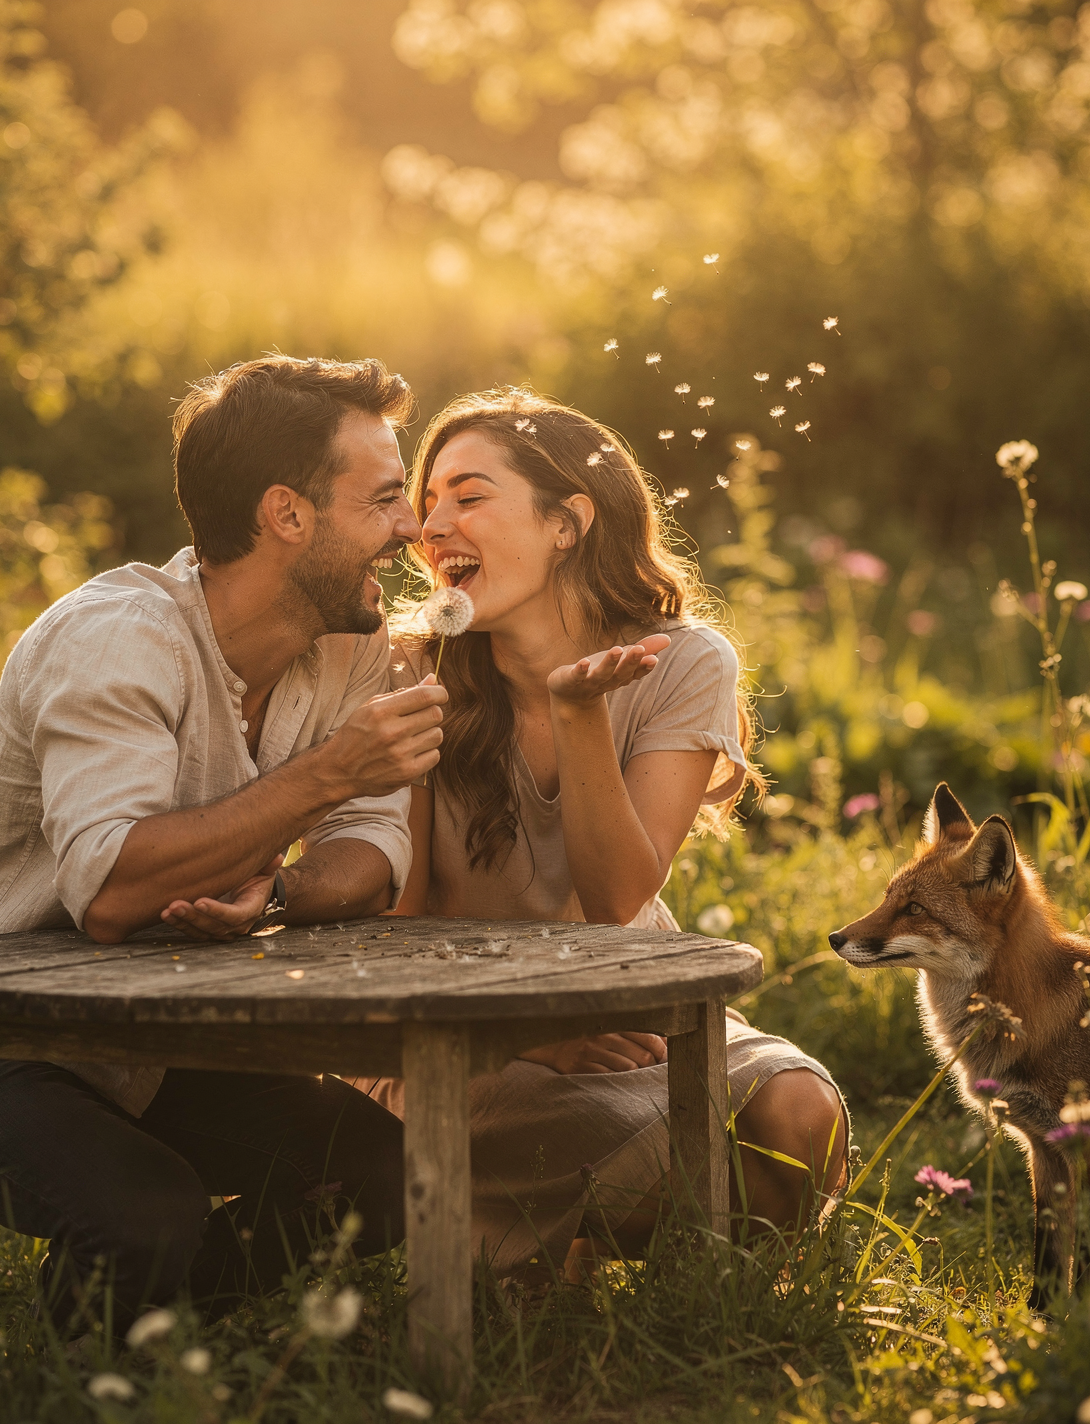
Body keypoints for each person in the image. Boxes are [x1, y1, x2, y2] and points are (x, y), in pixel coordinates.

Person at [0, 355, 449, 1332]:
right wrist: (332, 769)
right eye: (384, 499)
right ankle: (95, 1361)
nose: (411, 529)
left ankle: (155, 1328)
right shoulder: (115, 638)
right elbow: (115, 890)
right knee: (149, 1212)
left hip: (151, 1045)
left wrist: (285, 893)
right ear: (286, 515)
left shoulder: (351, 645)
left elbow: (373, 849)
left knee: (392, 1169)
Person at [350, 388, 849, 1275]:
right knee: (633, 1161)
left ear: (568, 522)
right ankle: (540, 1262)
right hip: (449, 1034)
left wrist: (578, 714)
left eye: (467, 496)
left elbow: (622, 898)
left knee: (798, 1117)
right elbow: (397, 922)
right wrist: (528, 1034)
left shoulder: (682, 659)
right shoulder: (409, 665)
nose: (431, 529)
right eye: (427, 504)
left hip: (625, 1015)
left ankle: (713, 1318)